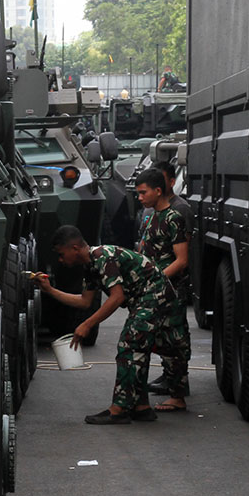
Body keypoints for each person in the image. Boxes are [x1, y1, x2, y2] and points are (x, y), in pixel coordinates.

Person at [37, 225, 187, 425]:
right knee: (138, 348)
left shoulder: (102, 257)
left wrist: (87, 324)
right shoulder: (91, 265)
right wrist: (50, 290)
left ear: (74, 248)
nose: (60, 260)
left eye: (61, 254)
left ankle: (119, 409)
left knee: (130, 345)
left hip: (156, 296)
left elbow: (117, 298)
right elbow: (84, 301)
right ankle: (141, 407)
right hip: (147, 299)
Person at [134, 168, 192, 410]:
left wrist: (157, 279)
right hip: (149, 292)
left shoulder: (174, 217)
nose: (140, 197)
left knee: (174, 344)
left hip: (169, 292)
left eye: (143, 193)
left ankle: (177, 397)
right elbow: (142, 251)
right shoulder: (148, 217)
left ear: (158, 191)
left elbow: (181, 260)